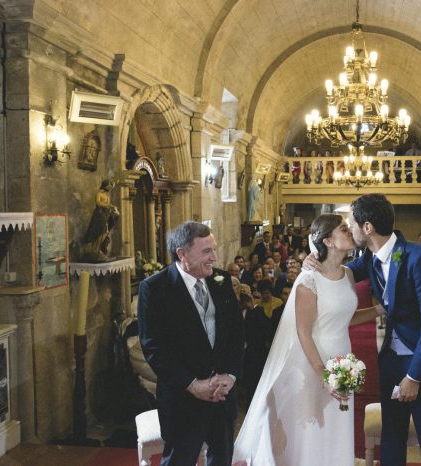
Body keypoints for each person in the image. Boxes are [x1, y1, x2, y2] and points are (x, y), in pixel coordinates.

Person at [305, 194, 421, 465]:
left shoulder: (417, 258)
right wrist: (315, 263)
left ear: (367, 228)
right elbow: (343, 271)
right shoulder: (370, 257)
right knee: (391, 440)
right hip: (391, 363)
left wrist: (414, 376)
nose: (349, 231)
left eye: (351, 224)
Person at [233, 214, 385, 466]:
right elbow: (303, 331)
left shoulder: (347, 274)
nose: (349, 232)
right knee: (311, 428)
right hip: (313, 361)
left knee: (336, 425)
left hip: (342, 358)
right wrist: (324, 374)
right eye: (343, 229)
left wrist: (380, 310)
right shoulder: (308, 280)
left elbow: (343, 318)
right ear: (328, 241)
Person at [138, 221, 244, 466]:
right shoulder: (155, 288)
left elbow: (236, 334)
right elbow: (154, 347)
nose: (214, 257)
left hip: (222, 395)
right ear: (182, 254)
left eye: (213, 249)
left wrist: (230, 375)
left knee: (222, 460)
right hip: (182, 400)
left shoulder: (222, 280)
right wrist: (193, 385)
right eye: (206, 251)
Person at [83, 179, 120, 262]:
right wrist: (109, 205)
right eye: (109, 186)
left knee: (105, 231)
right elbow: (98, 203)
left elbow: (108, 205)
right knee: (98, 230)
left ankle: (98, 250)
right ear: (105, 185)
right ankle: (95, 251)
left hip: (106, 214)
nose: (110, 189)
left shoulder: (107, 195)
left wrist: (112, 207)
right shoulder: (99, 193)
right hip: (99, 214)